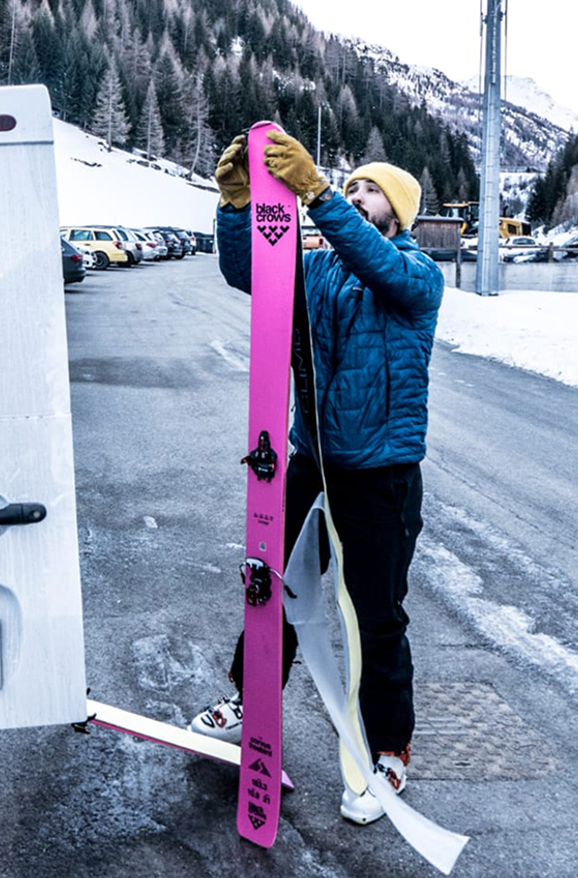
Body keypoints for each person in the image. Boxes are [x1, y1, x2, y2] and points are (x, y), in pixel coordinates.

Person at [188, 129, 443, 825]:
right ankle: (251, 702)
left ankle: (387, 749)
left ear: (399, 211)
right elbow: (252, 274)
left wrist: (320, 193)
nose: (357, 195)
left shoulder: (417, 275)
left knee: (375, 616)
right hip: (309, 464)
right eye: (351, 185)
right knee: (271, 586)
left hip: (382, 477)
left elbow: (378, 265)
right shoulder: (321, 268)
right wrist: (236, 205)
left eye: (370, 190)